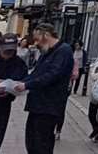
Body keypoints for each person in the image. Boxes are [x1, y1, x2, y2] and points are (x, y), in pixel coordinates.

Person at [16, 23, 75, 154]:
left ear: (46, 35)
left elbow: (53, 75)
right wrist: (18, 83)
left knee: (42, 143)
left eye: (37, 39)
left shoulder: (64, 51)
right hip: (37, 105)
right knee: (31, 141)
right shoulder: (46, 52)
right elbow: (37, 73)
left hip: (49, 106)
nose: (36, 43)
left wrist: (26, 85)